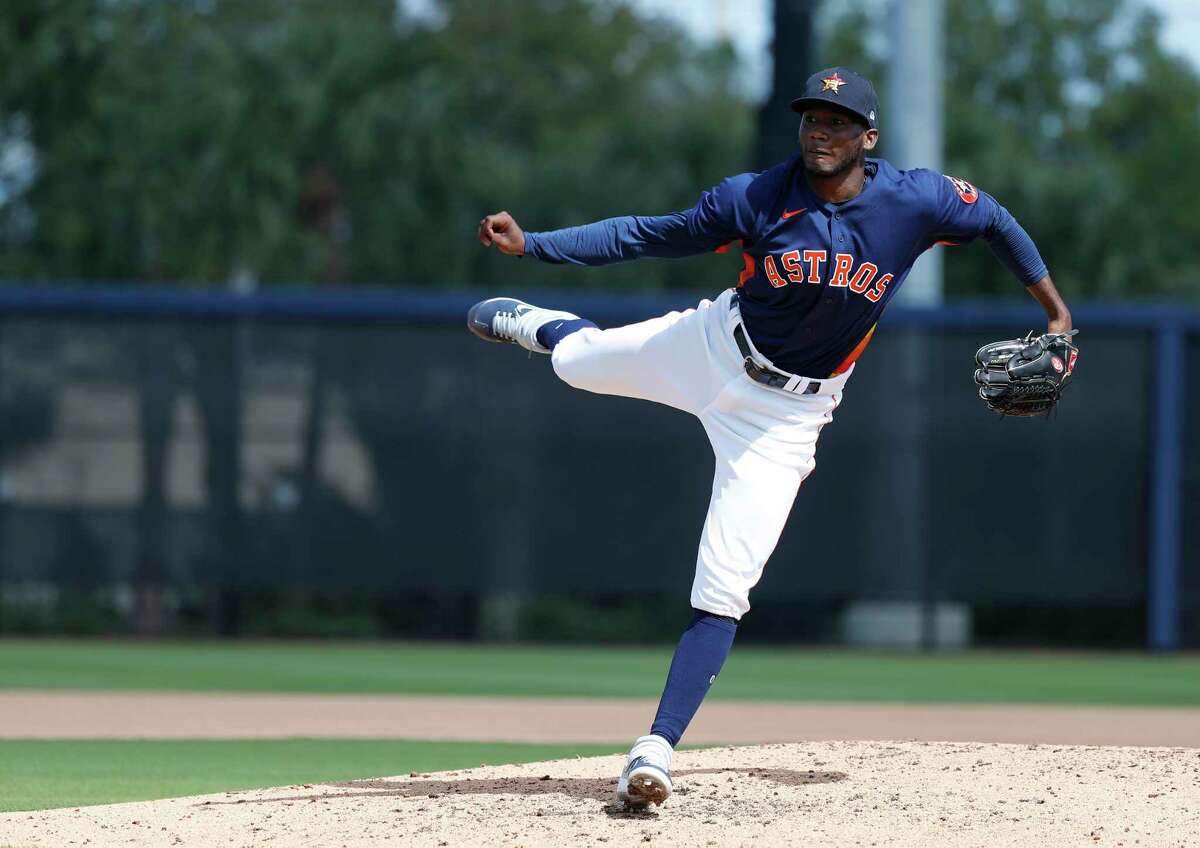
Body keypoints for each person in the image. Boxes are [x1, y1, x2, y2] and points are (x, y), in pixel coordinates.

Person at [468, 67, 1073, 808]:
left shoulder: (914, 200)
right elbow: (645, 235)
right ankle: (546, 327)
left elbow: (996, 220)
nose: (822, 130)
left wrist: (1057, 317)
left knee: (725, 583)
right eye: (813, 118)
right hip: (714, 347)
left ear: (868, 138)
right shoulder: (753, 197)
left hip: (785, 421)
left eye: (840, 121)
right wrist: (535, 245)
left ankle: (653, 749)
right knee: (577, 364)